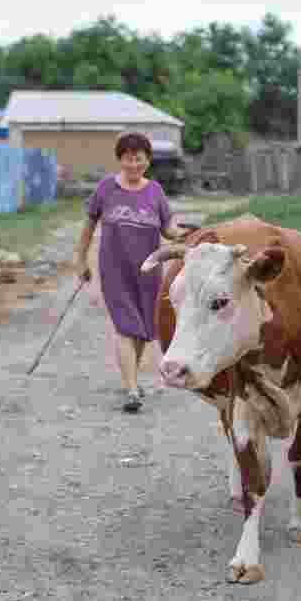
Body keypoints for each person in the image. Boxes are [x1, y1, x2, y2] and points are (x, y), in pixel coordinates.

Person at [73, 132, 190, 412]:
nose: (133, 164)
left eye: (139, 158)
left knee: (141, 330)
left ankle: (131, 381)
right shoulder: (106, 189)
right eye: (128, 158)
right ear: (120, 159)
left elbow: (167, 228)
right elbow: (88, 228)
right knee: (126, 327)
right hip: (115, 270)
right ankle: (131, 390)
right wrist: (80, 260)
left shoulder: (155, 192)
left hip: (148, 271)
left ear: (148, 161)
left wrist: (182, 234)